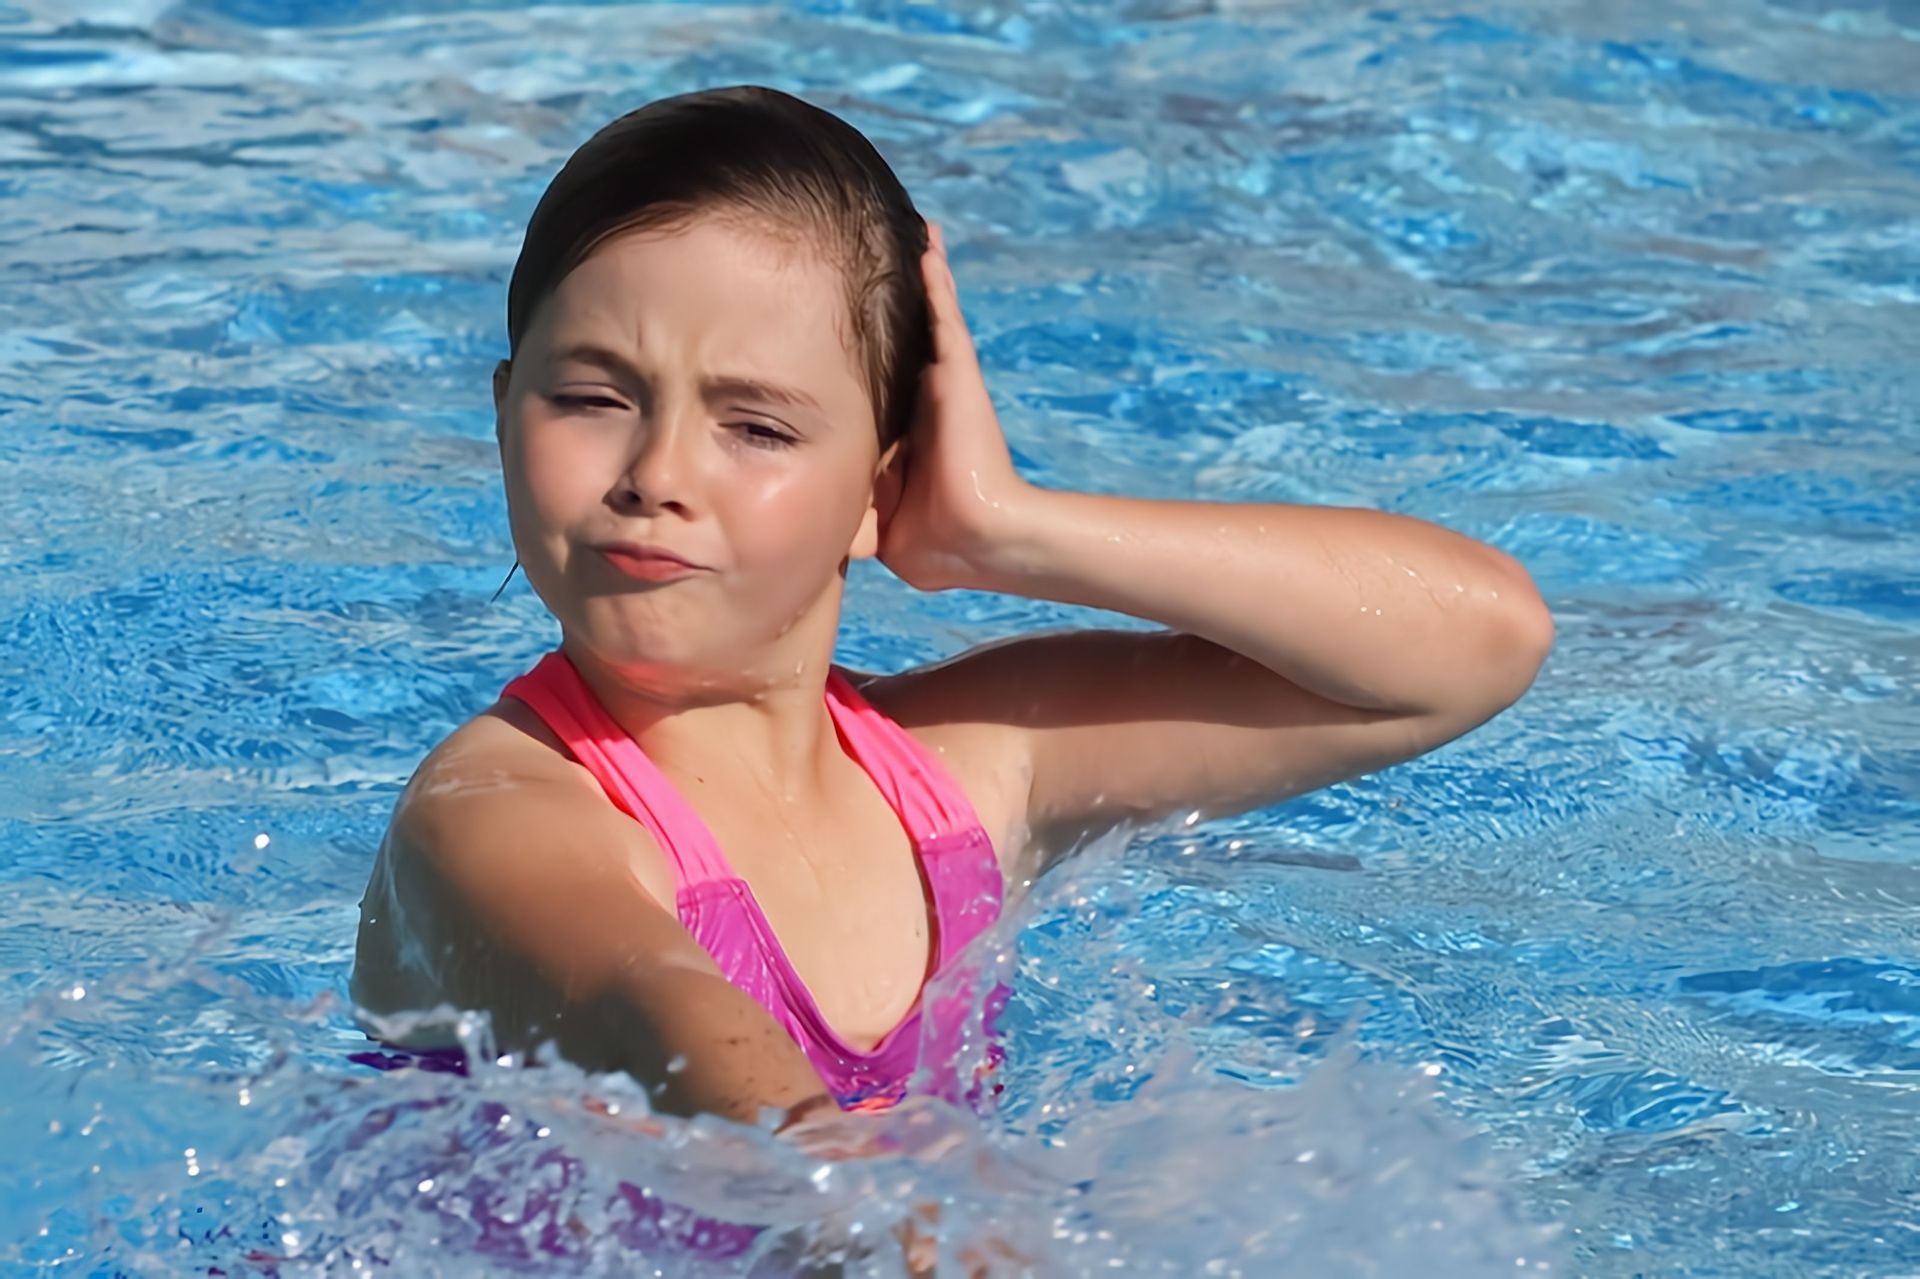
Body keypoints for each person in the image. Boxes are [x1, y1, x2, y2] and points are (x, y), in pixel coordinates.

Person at [350, 84, 1553, 1139]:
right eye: (592, 396)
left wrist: (1011, 529)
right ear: (507, 418)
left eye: (756, 426)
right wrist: (887, 1211)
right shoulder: (491, 816)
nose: (656, 472)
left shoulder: (964, 780)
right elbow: (670, 1020)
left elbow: (1476, 646)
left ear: (879, 488)